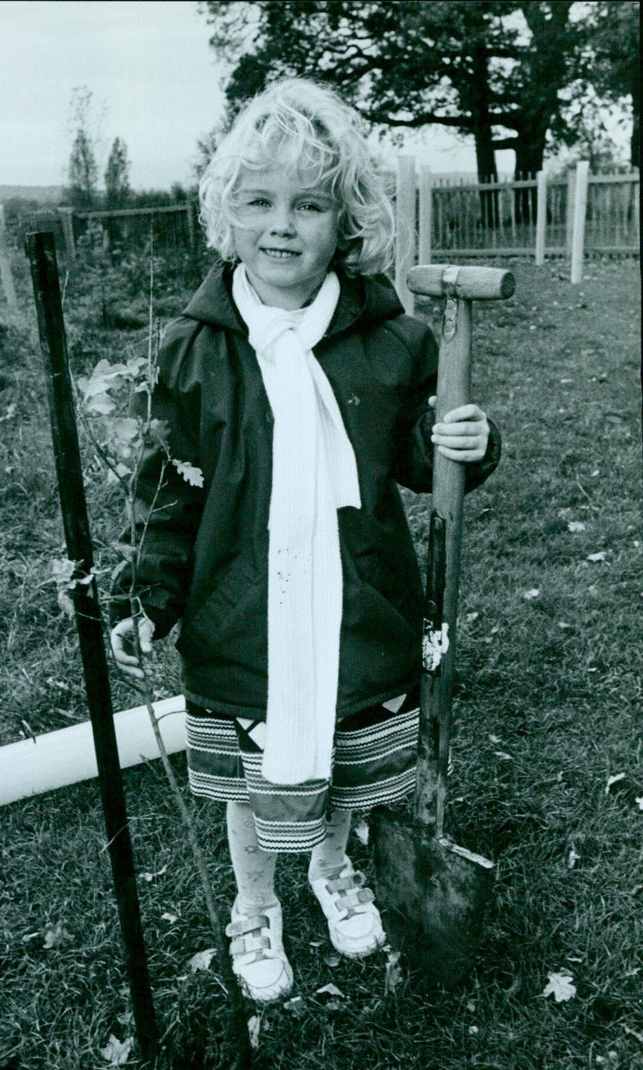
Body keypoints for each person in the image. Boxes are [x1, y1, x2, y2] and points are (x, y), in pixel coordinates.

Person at [109, 78, 500, 1004]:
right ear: (228, 215)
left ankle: (332, 868)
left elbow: (416, 455)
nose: (282, 226)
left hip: (354, 601)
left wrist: (462, 444)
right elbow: (170, 492)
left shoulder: (391, 339)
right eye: (259, 202)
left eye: (309, 204)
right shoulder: (198, 351)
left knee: (339, 761)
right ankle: (256, 903)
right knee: (254, 781)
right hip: (241, 611)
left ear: (344, 218)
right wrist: (145, 592)